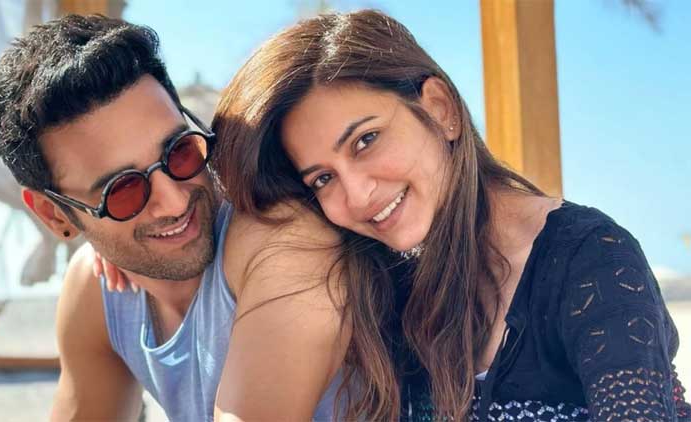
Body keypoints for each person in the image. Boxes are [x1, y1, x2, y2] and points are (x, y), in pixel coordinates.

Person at [211, 9, 691, 421]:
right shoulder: (382, 287)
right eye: (322, 179)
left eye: (366, 140)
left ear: (441, 110)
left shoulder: (591, 261)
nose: (356, 195)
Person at [0, 15, 352, 422]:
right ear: (55, 215)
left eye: (179, 152)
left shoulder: (280, 241)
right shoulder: (98, 290)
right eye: (122, 190)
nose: (172, 202)